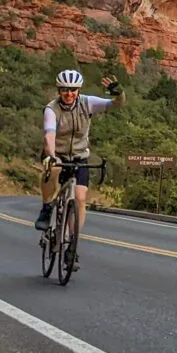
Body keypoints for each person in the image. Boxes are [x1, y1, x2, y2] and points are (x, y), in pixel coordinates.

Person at [35, 69, 124, 236]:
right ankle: (46, 208)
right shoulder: (51, 109)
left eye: (73, 89)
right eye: (64, 90)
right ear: (59, 90)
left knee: (80, 198)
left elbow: (115, 105)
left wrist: (119, 94)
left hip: (79, 156)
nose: (69, 94)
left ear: (79, 90)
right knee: (53, 169)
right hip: (57, 153)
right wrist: (52, 156)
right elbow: (49, 134)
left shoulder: (87, 103)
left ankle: (72, 243)